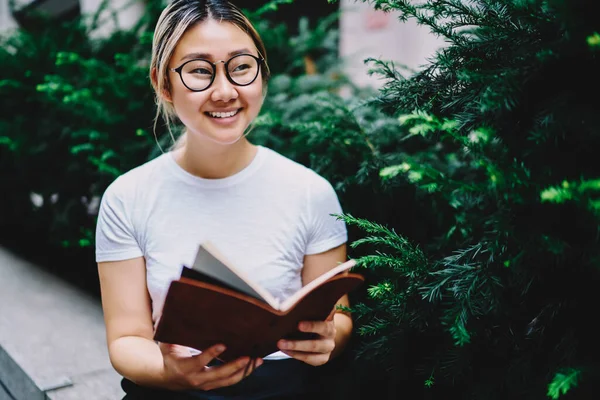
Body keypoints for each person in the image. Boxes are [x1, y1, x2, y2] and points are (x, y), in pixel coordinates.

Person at [95, 0, 354, 398]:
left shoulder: (310, 192)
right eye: (200, 71)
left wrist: (329, 339)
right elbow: (127, 339)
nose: (224, 91)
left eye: (241, 67)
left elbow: (339, 316)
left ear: (261, 75)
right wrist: (173, 375)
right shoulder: (127, 198)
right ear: (163, 83)